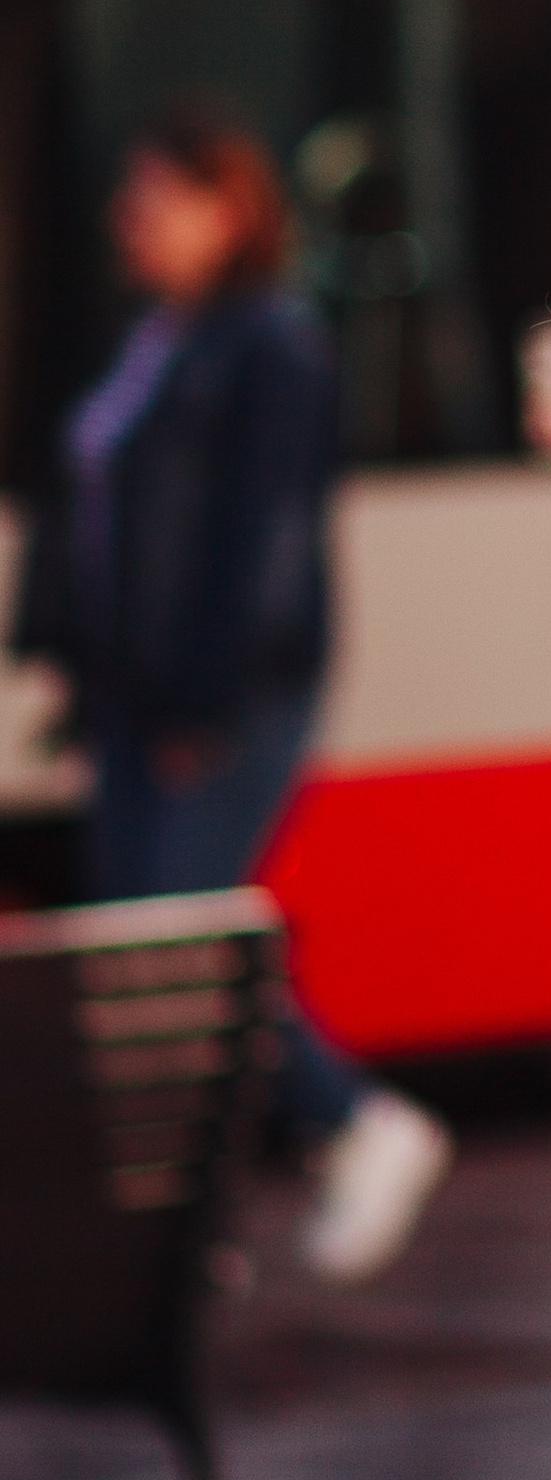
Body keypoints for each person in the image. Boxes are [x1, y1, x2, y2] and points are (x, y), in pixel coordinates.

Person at [10, 109, 453, 1283]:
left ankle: (358, 1124)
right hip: (132, 696)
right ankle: (181, 1232)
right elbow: (90, 511)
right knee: (136, 961)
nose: (132, 222)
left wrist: (204, 694)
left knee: (178, 943)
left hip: (223, 695)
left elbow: (263, 542)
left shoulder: (272, 348)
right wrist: (63, 653)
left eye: (158, 199)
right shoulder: (158, 338)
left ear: (230, 208)